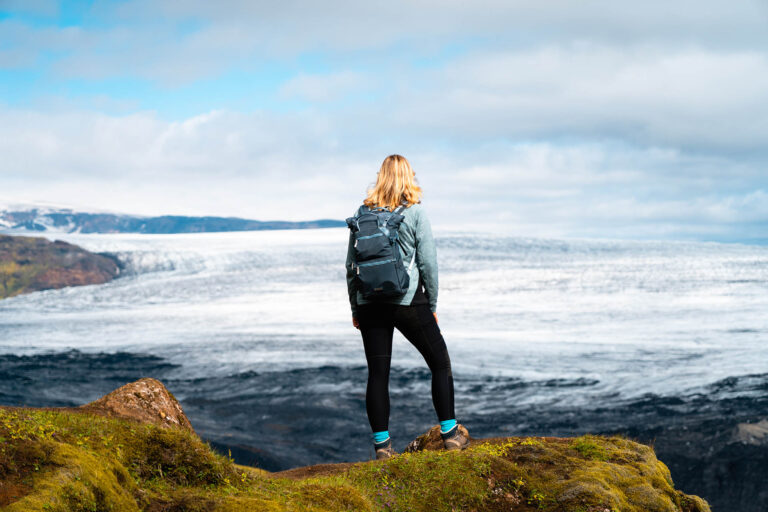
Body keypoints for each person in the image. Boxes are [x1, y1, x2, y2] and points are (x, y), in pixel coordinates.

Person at [345, 154, 469, 460]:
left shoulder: (362, 213)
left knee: (378, 374)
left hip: (369, 302)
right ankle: (451, 435)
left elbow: (351, 266)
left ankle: (383, 448)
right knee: (439, 363)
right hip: (406, 299)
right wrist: (433, 303)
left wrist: (355, 308)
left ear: (381, 177)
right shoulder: (414, 213)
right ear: (409, 177)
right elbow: (429, 263)